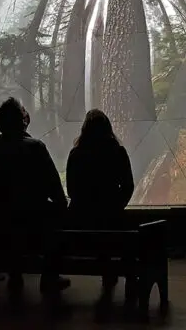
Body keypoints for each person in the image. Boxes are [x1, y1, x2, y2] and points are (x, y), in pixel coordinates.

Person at [0, 97, 68, 302]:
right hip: (34, 220)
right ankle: (50, 276)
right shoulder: (36, 147)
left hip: (2, 219)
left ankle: (15, 274)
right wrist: (61, 205)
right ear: (22, 120)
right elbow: (53, 185)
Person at [66, 109, 135, 303]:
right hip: (111, 220)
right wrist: (116, 206)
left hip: (80, 222)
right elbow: (128, 185)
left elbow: (71, 190)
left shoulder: (76, 154)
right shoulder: (117, 153)